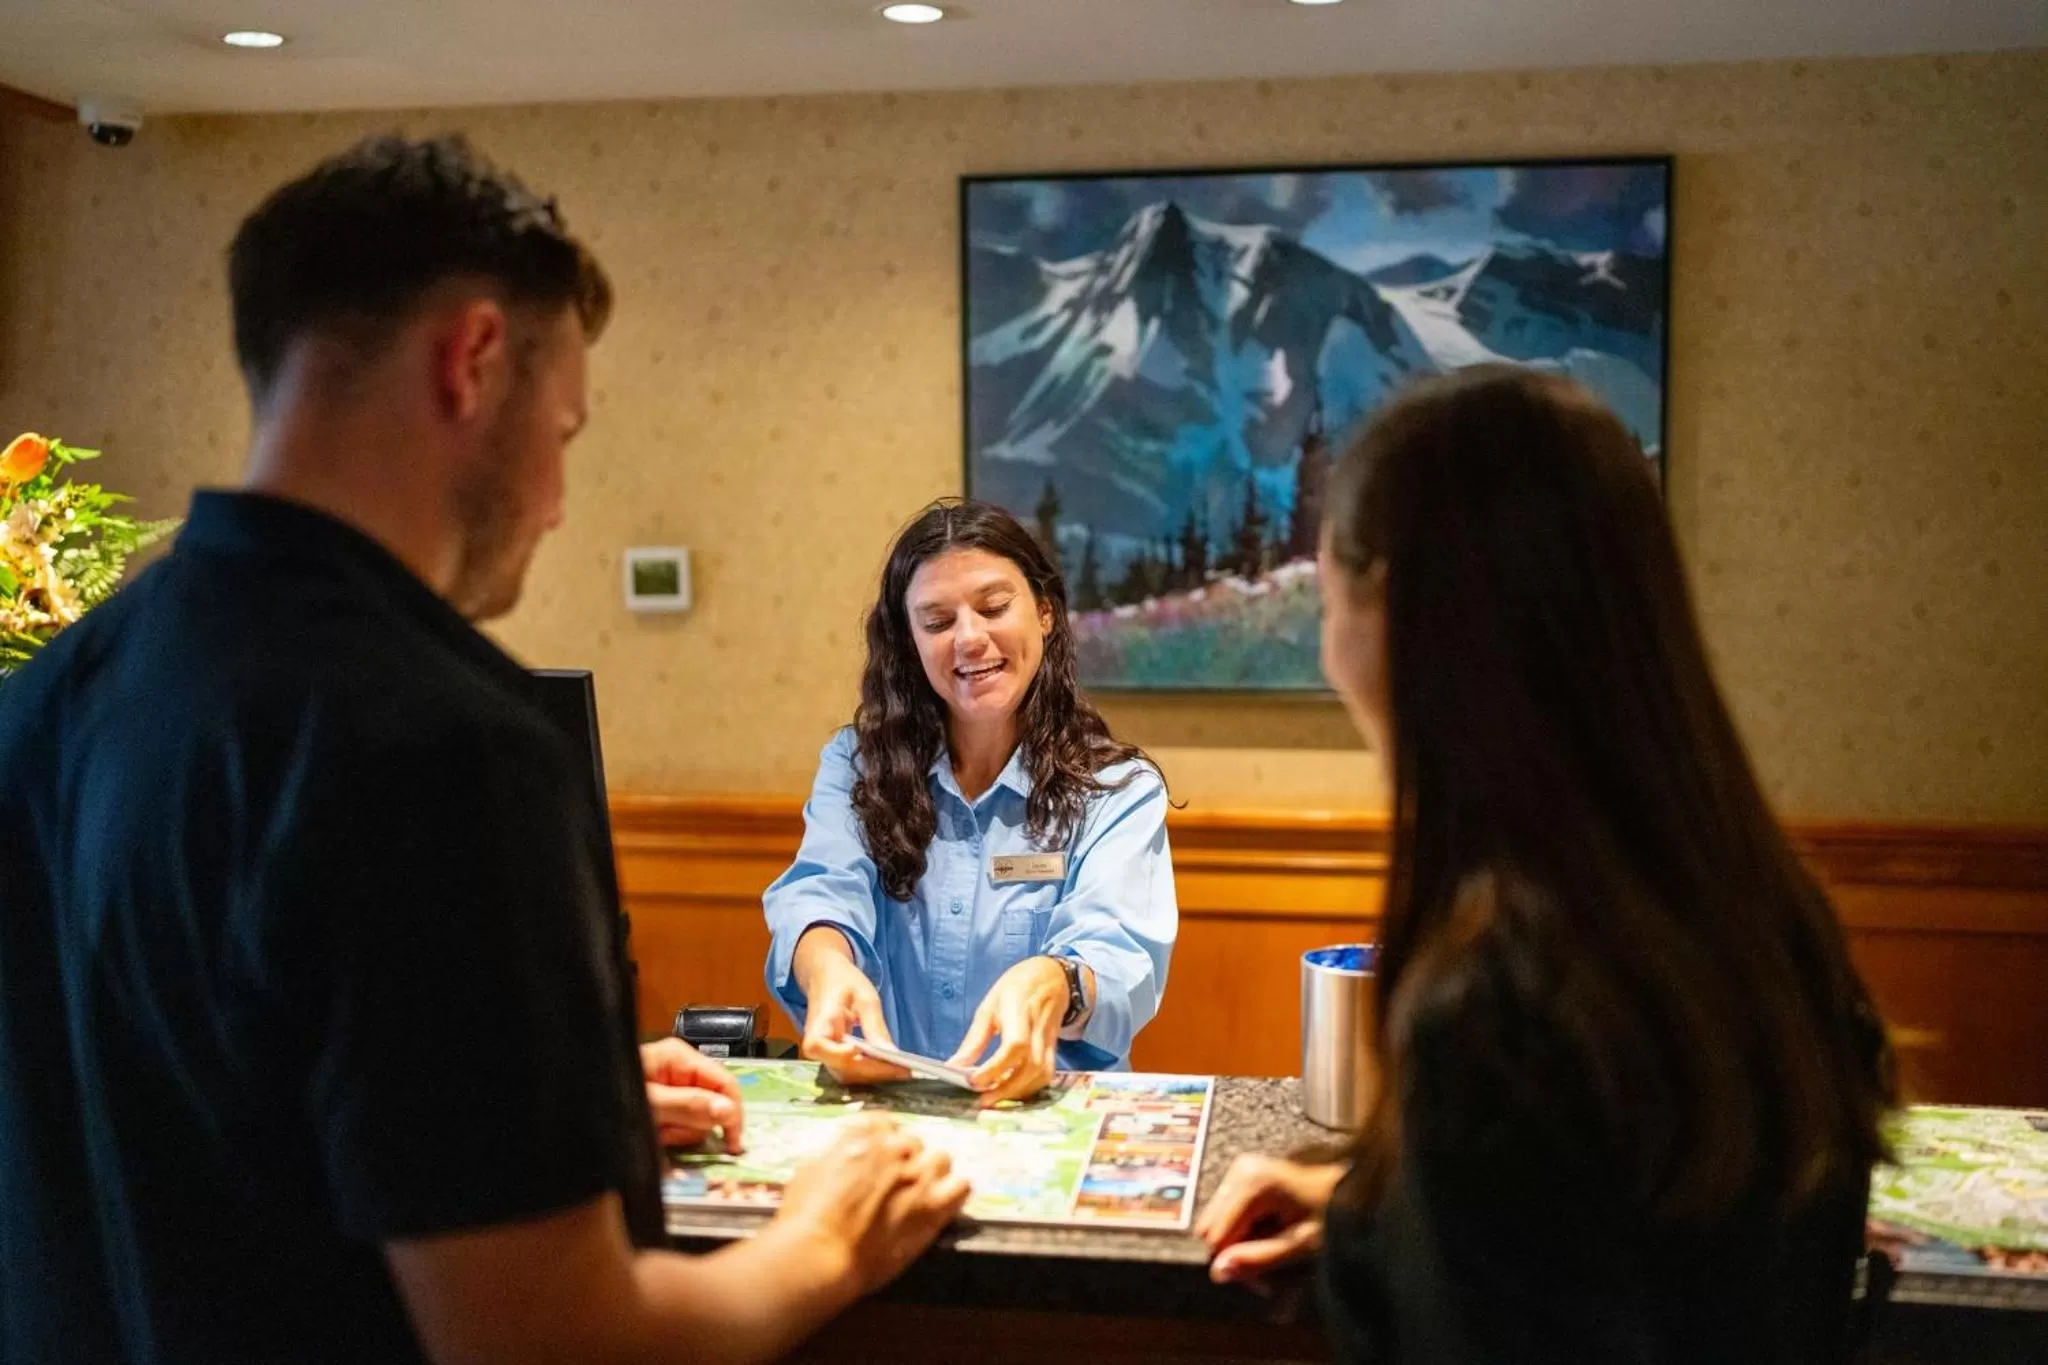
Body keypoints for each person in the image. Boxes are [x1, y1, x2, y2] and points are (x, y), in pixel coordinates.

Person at [0, 134, 966, 1365]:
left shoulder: (44, 702)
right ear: (469, 360)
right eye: (563, 431)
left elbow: (208, 1115)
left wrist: (559, 1112)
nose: (558, 500)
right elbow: (564, 1345)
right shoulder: (447, 745)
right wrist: (825, 1239)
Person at [1197, 367, 1895, 1363]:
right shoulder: (1761, 918)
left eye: (1328, 600)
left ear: (1396, 613)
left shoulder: (1497, 1010)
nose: (1323, 651)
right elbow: (1648, 1250)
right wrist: (1390, 1210)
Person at [764, 499, 1176, 1104]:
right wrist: (826, 967)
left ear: (1044, 613)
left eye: (993, 608)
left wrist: (1057, 981)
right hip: (890, 1115)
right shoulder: (856, 766)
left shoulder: (1119, 789)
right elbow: (821, 891)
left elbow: (1117, 952)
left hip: (1046, 1121)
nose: (970, 639)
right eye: (936, 622)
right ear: (909, 643)